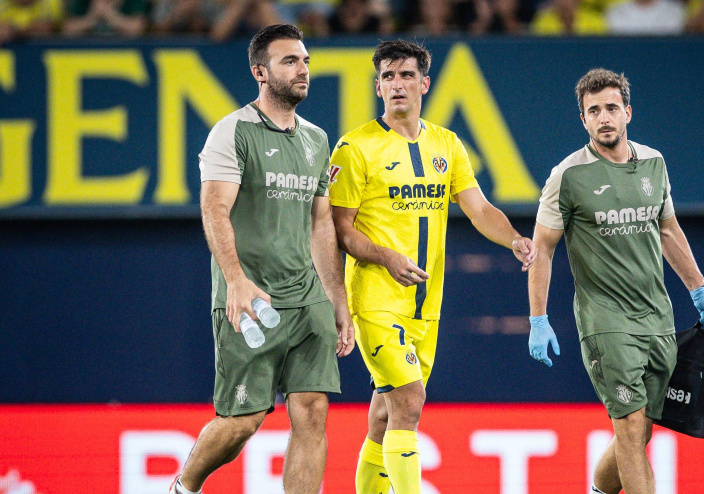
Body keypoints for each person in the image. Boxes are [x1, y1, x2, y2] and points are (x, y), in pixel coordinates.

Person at [328, 39, 536, 494]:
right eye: (388, 76)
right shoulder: (354, 147)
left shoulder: (446, 143)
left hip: (426, 306)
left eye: (406, 75)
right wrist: (386, 257)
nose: (397, 84)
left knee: (384, 416)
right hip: (376, 300)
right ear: (378, 87)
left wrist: (516, 239)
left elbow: (479, 209)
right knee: (409, 401)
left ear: (424, 83)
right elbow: (340, 231)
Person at [169, 24, 354, 494]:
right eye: (290, 61)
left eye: (306, 60)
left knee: (312, 410)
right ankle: (184, 486)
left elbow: (320, 223)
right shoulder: (232, 132)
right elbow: (213, 209)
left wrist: (336, 297)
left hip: (305, 298)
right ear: (260, 71)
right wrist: (234, 280)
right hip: (251, 298)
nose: (303, 70)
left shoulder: (316, 139)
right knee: (242, 423)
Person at [527, 68, 704, 494]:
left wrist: (699, 289)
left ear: (628, 112)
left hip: (657, 317)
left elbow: (668, 230)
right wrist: (537, 318)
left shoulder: (654, 162)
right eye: (593, 111)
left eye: (611, 108)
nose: (604, 117)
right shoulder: (568, 176)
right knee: (631, 427)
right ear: (583, 120)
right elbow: (542, 248)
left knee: (642, 429)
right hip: (605, 321)